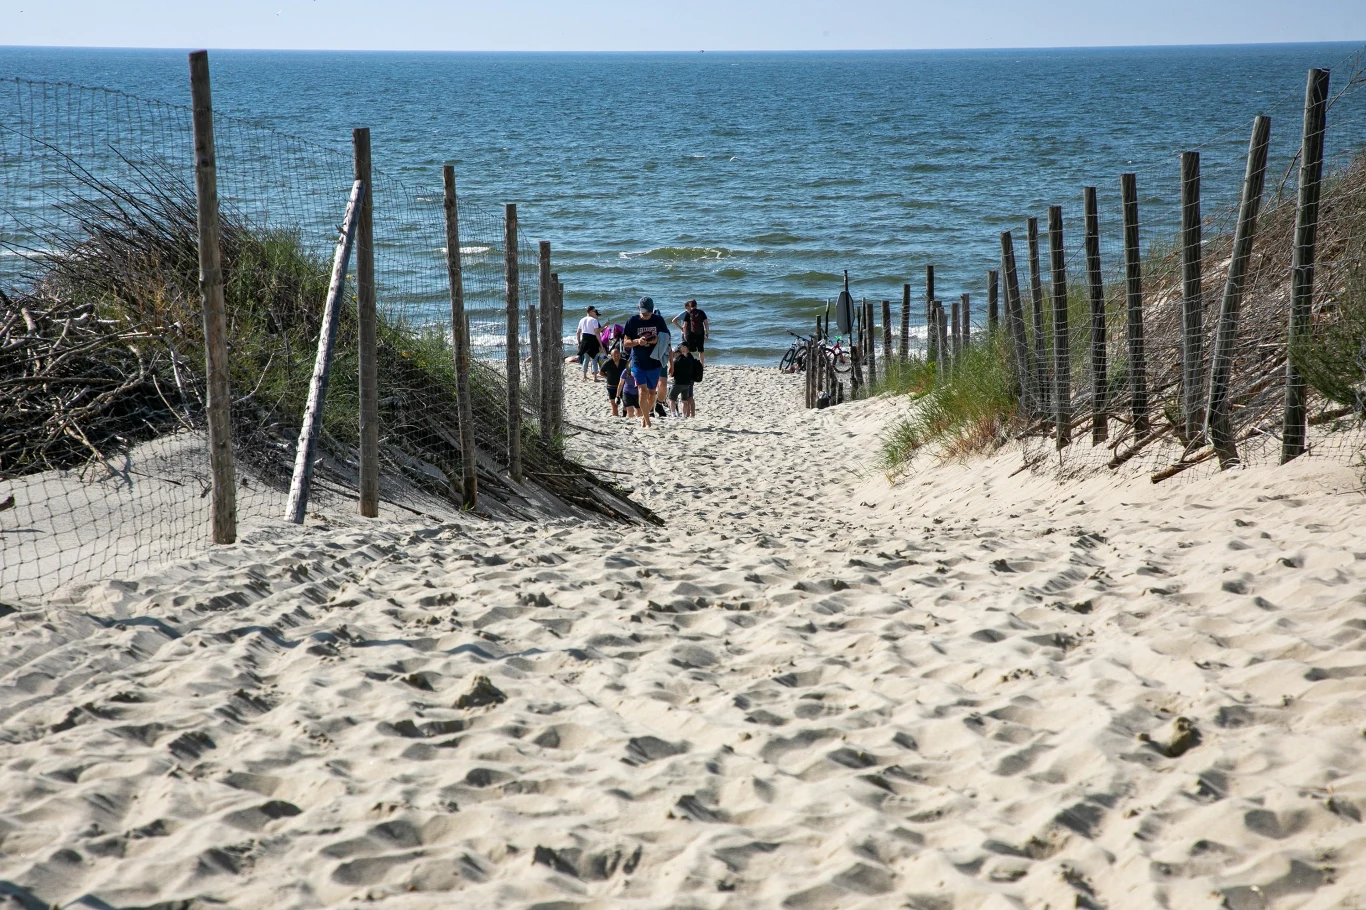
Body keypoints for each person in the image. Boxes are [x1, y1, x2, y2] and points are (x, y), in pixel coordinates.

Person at [622, 296, 669, 428]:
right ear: (639, 309)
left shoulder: (658, 320)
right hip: (638, 362)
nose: (647, 316)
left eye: (649, 313)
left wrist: (655, 340)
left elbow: (666, 337)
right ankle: (647, 421)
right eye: (644, 313)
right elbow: (626, 342)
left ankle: (644, 415)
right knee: (642, 391)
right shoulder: (632, 321)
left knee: (652, 393)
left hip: (654, 361)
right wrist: (637, 341)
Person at [673, 299, 711, 366]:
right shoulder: (701, 312)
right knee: (701, 350)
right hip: (700, 333)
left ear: (690, 306)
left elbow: (685, 326)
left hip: (690, 334)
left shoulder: (688, 313)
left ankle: (691, 364)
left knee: (690, 350)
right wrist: (707, 333)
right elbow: (706, 324)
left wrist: (684, 334)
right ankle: (701, 365)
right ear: (696, 305)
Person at [669, 341, 701, 417]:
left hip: (687, 380)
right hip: (688, 380)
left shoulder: (687, 357)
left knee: (688, 398)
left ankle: (689, 414)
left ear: (685, 347)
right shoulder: (688, 357)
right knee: (687, 399)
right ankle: (687, 414)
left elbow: (673, 372)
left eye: (681, 347)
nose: (680, 348)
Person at [575, 306, 603, 381]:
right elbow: (597, 333)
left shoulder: (582, 320)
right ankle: (595, 377)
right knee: (594, 358)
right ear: (590, 312)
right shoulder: (594, 320)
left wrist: (578, 343)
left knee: (586, 359)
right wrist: (600, 344)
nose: (595, 312)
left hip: (584, 340)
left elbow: (578, 333)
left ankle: (584, 375)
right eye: (594, 311)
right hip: (592, 340)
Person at [601, 346, 627, 417]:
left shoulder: (624, 362)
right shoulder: (608, 362)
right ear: (611, 356)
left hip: (622, 386)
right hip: (611, 386)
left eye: (618, 355)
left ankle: (624, 417)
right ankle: (616, 418)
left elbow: (630, 370)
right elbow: (601, 372)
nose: (617, 356)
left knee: (626, 403)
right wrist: (608, 376)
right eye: (615, 355)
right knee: (614, 405)